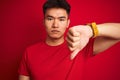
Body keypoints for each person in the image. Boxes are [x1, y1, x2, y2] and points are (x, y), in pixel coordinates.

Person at [18, 0, 120, 80]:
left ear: (68, 23)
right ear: (43, 22)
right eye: (50, 19)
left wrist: (91, 30)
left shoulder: (80, 45)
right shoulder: (29, 52)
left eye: (61, 19)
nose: (55, 25)